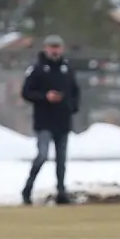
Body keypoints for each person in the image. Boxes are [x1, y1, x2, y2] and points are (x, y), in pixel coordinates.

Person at [20, 34, 80, 205]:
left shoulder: (67, 68)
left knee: (61, 160)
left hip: (62, 121)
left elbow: (75, 91)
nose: (54, 51)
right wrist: (45, 97)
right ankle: (27, 189)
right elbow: (26, 92)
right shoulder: (37, 69)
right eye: (51, 47)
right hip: (44, 121)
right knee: (42, 155)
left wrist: (72, 107)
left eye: (57, 47)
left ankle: (61, 192)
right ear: (46, 49)